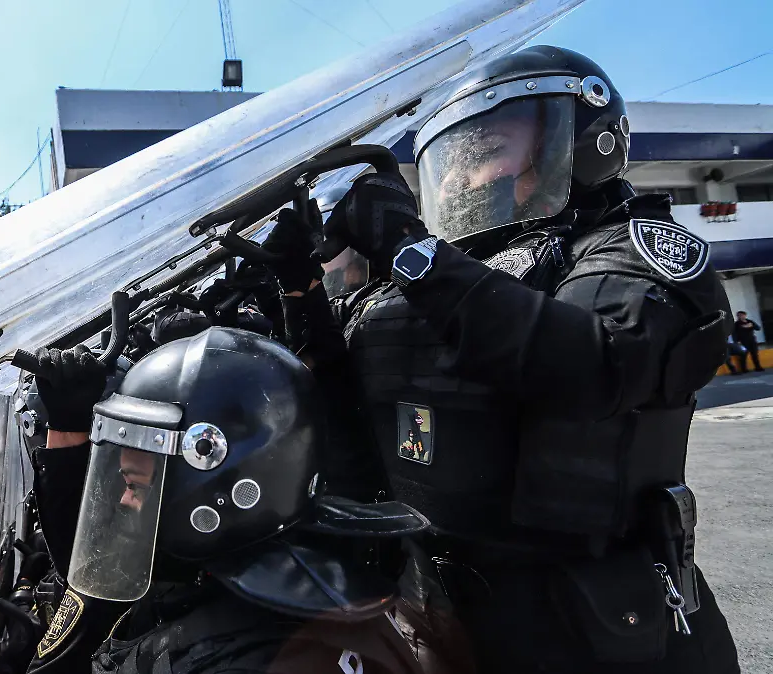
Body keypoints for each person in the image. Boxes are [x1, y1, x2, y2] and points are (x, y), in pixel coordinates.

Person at [265, 46, 740, 673]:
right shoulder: (431, 285)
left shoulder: (631, 252)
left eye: (485, 153)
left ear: (582, 141)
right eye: (451, 166)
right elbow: (344, 412)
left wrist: (412, 252)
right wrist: (297, 292)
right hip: (442, 622)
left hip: (603, 635)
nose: (461, 181)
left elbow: (588, 367)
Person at [19, 332, 430, 674]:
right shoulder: (284, 578)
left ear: (212, 498)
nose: (123, 502)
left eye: (135, 485)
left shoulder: (230, 658)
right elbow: (103, 572)